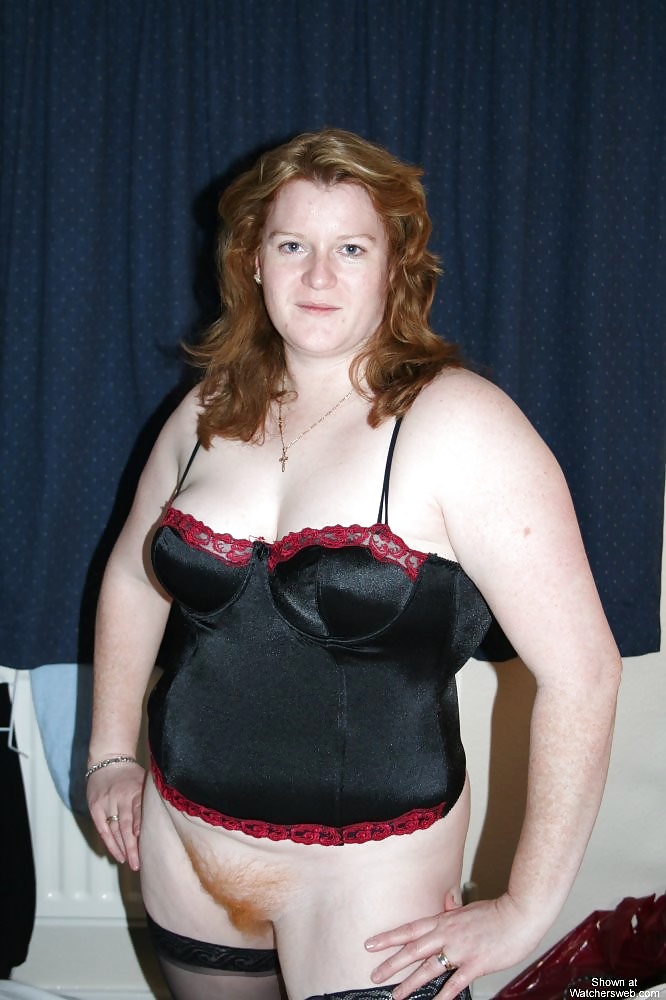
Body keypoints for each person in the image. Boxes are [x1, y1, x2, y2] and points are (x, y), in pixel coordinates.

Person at [86, 128, 621, 1000]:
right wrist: (110, 751)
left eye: (351, 249)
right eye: (292, 245)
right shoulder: (209, 408)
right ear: (253, 261)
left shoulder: (460, 424)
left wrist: (527, 906)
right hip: (186, 848)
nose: (318, 276)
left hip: (372, 887)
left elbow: (584, 672)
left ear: (395, 267)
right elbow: (129, 577)